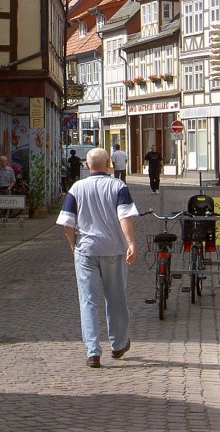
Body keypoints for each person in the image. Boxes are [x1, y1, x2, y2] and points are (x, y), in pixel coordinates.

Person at [57, 147, 139, 368]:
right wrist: (131, 242)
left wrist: (74, 245)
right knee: (116, 298)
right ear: (109, 164)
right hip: (114, 249)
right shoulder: (118, 186)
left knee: (88, 301)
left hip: (86, 250)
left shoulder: (77, 187)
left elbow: (67, 223)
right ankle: (119, 344)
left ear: (87, 165)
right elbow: (125, 217)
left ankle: (93, 352)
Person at [0, 155, 16, 227]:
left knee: (6, 205)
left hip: (6, 189)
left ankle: (5, 220)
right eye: (1, 161)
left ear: (6, 162)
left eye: (4, 161)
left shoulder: (10, 170)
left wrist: (9, 188)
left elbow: (13, 180)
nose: (3, 162)